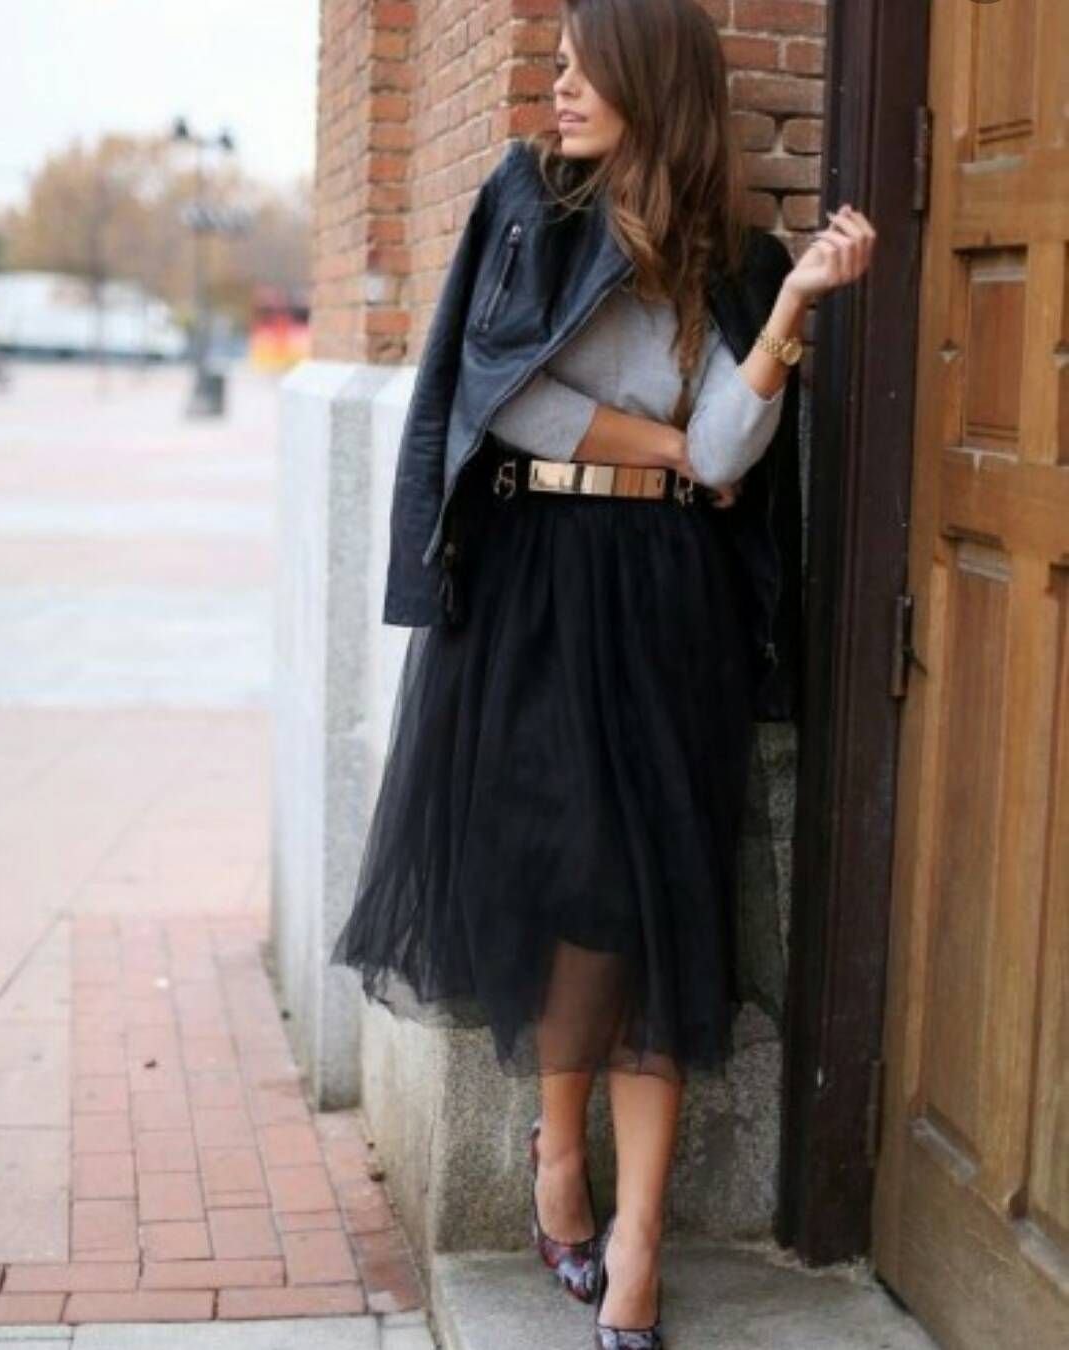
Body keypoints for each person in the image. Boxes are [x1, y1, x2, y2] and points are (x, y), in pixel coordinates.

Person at [330, 1, 876, 1345]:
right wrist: (667, 442)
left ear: (652, 81)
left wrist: (792, 305)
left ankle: (635, 1242)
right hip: (541, 590)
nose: (559, 90)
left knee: (659, 897)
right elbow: (499, 393)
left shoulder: (740, 260)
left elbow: (734, 452)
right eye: (557, 67)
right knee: (585, 881)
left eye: (583, 70)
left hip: (672, 604)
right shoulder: (529, 200)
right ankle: (560, 1156)